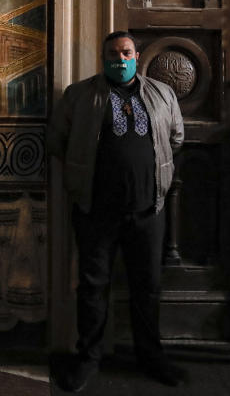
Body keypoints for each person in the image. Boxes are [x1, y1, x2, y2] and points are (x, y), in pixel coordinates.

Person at [48, 31, 185, 393]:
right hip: (96, 211)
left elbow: (176, 137)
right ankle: (88, 358)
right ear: (103, 58)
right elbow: (57, 141)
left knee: (147, 287)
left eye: (126, 53)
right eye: (113, 54)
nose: (119, 59)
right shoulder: (79, 96)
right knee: (92, 287)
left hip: (148, 209)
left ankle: (150, 357)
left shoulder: (162, 94)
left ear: (136, 56)